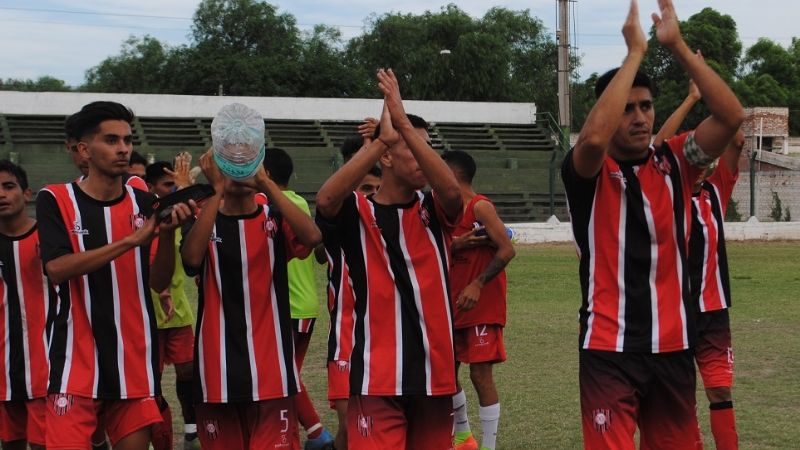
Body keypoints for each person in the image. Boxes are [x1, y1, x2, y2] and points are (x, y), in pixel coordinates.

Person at [561, 1, 744, 448]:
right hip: (609, 348)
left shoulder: (676, 161)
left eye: (646, 106)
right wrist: (635, 53)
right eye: (627, 108)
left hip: (673, 347)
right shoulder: (587, 171)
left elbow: (731, 118)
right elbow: (594, 138)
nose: (640, 117)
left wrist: (676, 45)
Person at [315, 69, 462, 449]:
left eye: (427, 147)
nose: (424, 156)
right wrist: (383, 138)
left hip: (435, 374)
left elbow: (452, 193)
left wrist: (404, 126)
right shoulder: (357, 211)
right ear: (388, 158)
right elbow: (326, 199)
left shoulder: (433, 209)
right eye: (411, 148)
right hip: (377, 377)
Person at [37, 101, 194, 449]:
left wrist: (167, 235)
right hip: (74, 361)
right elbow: (57, 269)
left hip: (133, 360)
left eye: (127, 140)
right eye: (111, 140)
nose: (123, 148)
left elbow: (158, 281)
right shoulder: (56, 198)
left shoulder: (145, 203)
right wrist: (130, 241)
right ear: (84, 150)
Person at [180, 149, 322, 450]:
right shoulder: (204, 217)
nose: (239, 172)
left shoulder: (274, 216)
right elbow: (191, 259)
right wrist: (217, 191)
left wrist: (265, 183)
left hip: (271, 370)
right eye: (230, 164)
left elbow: (312, 237)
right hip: (216, 370)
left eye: (246, 163)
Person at [654, 78, 744, 450]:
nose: (705, 162)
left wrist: (709, 89)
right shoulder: (665, 191)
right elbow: (657, 148)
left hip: (712, 312)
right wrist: (690, 98)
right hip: (673, 312)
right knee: (680, 394)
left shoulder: (716, 190)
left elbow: (736, 136)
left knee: (720, 389)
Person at [262, 147, 335, 449]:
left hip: (291, 305)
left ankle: (317, 434)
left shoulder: (276, 205)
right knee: (284, 373)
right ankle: (305, 432)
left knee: (285, 373)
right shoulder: (297, 202)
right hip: (301, 304)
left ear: (265, 174)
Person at [441, 150, 515, 450]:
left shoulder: (479, 207)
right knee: (446, 373)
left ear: (452, 176)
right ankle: (463, 436)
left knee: (480, 375)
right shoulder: (444, 213)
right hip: (451, 306)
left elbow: (507, 249)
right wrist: (454, 245)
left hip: (481, 306)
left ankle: (488, 446)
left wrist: (478, 283)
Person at [319, 126, 384, 450]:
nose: (368, 195)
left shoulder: (389, 221)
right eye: (362, 188)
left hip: (386, 341)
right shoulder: (336, 218)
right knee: (350, 431)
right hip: (347, 338)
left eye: (375, 188)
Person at [145, 158, 201, 450]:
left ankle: (191, 429)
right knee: (151, 381)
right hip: (149, 314)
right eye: (167, 185)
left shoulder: (180, 212)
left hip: (178, 309)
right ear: (151, 188)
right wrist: (161, 291)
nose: (172, 189)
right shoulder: (146, 218)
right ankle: (158, 434)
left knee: (188, 371)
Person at [0, 161, 56, 450]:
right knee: (10, 443)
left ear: (27, 193)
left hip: (45, 364)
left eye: (8, 186)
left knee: (43, 444)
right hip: (4, 369)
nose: (1, 194)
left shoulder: (49, 238)